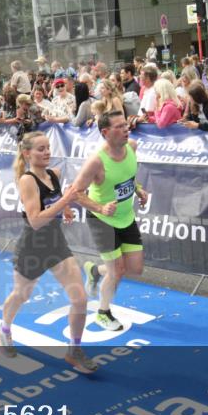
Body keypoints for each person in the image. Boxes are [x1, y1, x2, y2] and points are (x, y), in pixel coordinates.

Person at [0, 132, 98, 373]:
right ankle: (3, 329)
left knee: (80, 298)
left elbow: (55, 202)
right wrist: (65, 201)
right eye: (40, 149)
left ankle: (74, 350)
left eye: (48, 147)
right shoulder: (27, 180)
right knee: (22, 294)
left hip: (56, 243)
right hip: (33, 246)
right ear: (27, 154)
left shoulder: (55, 174)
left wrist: (67, 208)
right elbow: (36, 220)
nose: (47, 152)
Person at [66, 111, 149, 332]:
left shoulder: (132, 146)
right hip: (102, 220)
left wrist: (138, 189)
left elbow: (128, 176)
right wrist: (100, 207)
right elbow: (76, 192)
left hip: (125, 217)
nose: (126, 129)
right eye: (119, 126)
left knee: (135, 268)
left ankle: (94, 271)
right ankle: (103, 313)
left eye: (125, 124)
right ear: (105, 132)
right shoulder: (96, 162)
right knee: (117, 272)